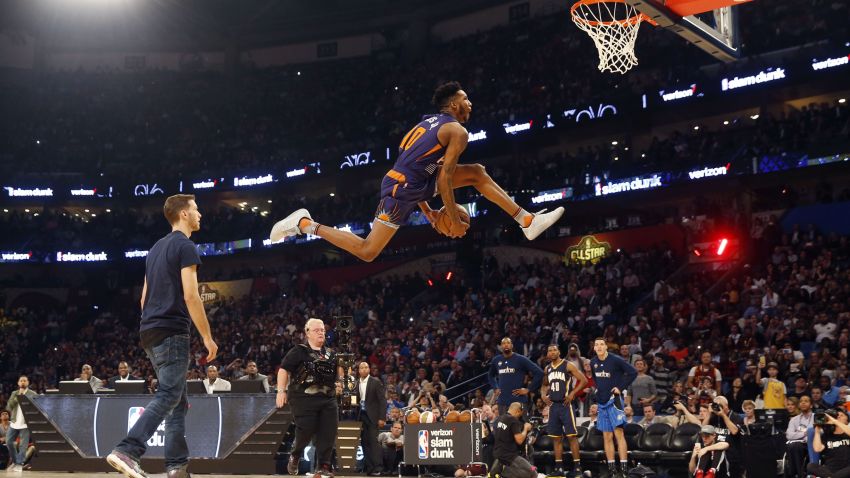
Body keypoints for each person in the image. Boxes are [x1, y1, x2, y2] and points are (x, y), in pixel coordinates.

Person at [269, 81, 564, 261]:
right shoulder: (457, 132)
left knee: (475, 171)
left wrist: (431, 212)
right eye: (465, 99)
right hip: (401, 191)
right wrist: (448, 215)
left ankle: (526, 220)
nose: (470, 103)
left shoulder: (425, 124)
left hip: (410, 183)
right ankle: (306, 224)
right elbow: (445, 179)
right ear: (453, 104)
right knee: (368, 251)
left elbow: (416, 168)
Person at [107, 194, 219, 478]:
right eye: (196, 210)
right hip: (172, 331)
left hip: (150, 330)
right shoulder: (186, 246)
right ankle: (128, 450)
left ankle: (177, 467)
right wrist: (207, 337)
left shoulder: (155, 249)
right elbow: (192, 295)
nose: (200, 215)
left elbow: (144, 299)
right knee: (169, 394)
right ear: (183, 214)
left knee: (177, 402)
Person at [277, 318, 341, 478]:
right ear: (307, 333)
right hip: (302, 397)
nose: (321, 332)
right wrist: (281, 391)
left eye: (323, 330)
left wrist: (340, 383)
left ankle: (323, 466)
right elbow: (284, 370)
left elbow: (340, 374)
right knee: (306, 429)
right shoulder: (299, 351)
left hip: (327, 398)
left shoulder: (331, 353)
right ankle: (296, 455)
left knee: (328, 431)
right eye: (317, 330)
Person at [590, 338, 637, 478]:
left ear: (606, 347)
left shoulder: (615, 360)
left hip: (614, 401)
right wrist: (598, 391)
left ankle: (623, 469)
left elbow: (633, 372)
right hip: (602, 402)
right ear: (594, 348)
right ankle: (611, 469)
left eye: (601, 344)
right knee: (607, 436)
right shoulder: (593, 362)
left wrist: (620, 387)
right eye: (596, 345)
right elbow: (595, 379)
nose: (599, 346)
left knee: (619, 434)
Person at [540, 344, 588, 478]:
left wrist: (573, 393)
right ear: (548, 354)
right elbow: (544, 385)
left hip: (566, 405)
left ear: (559, 352)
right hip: (553, 406)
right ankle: (559, 468)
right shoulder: (547, 369)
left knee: (572, 436)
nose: (552, 352)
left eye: (555, 350)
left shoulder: (568, 365)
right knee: (556, 438)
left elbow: (583, 380)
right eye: (550, 350)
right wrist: (543, 395)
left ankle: (578, 467)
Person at [489, 338, 544, 412]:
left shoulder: (521, 359)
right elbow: (490, 375)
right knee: (503, 423)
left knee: (521, 424)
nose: (506, 345)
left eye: (508, 343)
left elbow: (539, 373)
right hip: (502, 402)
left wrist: (529, 389)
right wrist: (495, 387)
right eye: (503, 343)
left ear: (512, 345)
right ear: (501, 346)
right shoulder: (496, 360)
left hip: (518, 401)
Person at [357, 361, 387, 476]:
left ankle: (378, 468)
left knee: (374, 443)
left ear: (369, 369)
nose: (364, 369)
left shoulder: (375, 382)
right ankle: (369, 468)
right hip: (361, 416)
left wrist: (382, 418)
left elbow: (382, 401)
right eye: (362, 368)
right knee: (364, 443)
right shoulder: (356, 383)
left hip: (373, 417)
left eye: (366, 367)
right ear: (359, 371)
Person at [492, 402, 537, 478]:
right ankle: (503, 473)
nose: (520, 416)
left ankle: (501, 472)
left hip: (498, 454)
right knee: (533, 473)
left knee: (523, 471)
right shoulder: (513, 420)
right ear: (517, 411)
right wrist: (525, 428)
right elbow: (519, 440)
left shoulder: (499, 419)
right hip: (510, 456)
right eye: (520, 414)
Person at [5, 375, 37, 472]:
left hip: (25, 423)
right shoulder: (14, 393)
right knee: (9, 442)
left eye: (25, 381)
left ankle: (19, 464)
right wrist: (19, 397)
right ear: (18, 383)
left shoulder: (32, 394)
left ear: (28, 383)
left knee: (23, 444)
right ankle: (15, 461)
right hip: (14, 422)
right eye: (21, 381)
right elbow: (9, 407)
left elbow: (37, 408)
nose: (23, 382)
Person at [807, 409, 850, 478]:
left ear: (847, 421)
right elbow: (817, 449)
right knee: (811, 466)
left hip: (847, 468)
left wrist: (835, 421)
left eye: (841, 415)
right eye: (837, 415)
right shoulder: (826, 435)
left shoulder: (848, 434)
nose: (838, 417)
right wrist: (817, 430)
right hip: (830, 470)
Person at [785, 395, 814, 478]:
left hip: (811, 445)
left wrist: (798, 435)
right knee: (793, 445)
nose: (803, 403)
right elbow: (789, 435)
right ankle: (800, 474)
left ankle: (794, 474)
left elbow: (819, 433)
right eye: (801, 401)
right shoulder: (794, 419)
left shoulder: (816, 417)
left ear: (811, 405)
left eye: (806, 401)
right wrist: (805, 434)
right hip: (796, 445)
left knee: (794, 446)